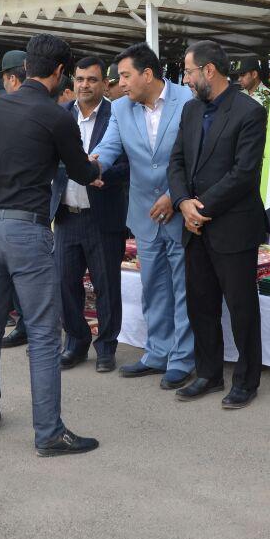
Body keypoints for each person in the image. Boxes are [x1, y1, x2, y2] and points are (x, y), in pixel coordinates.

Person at [0, 33, 103, 456]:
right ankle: (48, 432)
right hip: (26, 233)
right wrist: (95, 166)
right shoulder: (56, 117)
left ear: (26, 67)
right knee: (46, 335)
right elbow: (81, 172)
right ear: (60, 72)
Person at [169, 40, 268, 408]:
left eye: (190, 72)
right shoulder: (191, 111)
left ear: (209, 71)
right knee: (201, 305)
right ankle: (209, 373)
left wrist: (200, 207)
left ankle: (246, 380)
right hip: (195, 227)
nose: (187, 79)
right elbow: (176, 161)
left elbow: (243, 174)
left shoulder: (248, 112)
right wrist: (182, 202)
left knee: (241, 307)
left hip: (231, 226)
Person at [91, 43, 196, 388]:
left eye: (125, 75)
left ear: (147, 74)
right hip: (144, 214)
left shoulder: (187, 100)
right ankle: (156, 353)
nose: (120, 83)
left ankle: (182, 358)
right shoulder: (121, 109)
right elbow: (109, 147)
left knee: (183, 287)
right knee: (154, 287)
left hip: (179, 209)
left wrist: (174, 196)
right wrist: (92, 164)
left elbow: (197, 157)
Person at [50, 56, 129, 373]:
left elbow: (130, 164)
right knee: (64, 283)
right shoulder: (60, 116)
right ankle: (76, 342)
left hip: (103, 215)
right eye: (80, 79)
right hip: (67, 214)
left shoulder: (117, 116)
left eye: (92, 80)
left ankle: (107, 347)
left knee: (107, 285)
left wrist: (103, 174)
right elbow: (47, 158)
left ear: (105, 84)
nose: (85, 85)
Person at [0, 47, 30, 347]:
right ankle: (24, 322)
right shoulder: (42, 108)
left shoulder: (5, 109)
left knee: (18, 273)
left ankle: (26, 324)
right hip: (23, 210)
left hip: (11, 209)